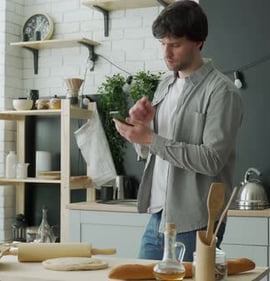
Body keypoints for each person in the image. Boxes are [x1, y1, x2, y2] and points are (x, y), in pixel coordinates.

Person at [113, 0, 243, 262]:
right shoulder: (165, 85)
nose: (166, 53)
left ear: (199, 42)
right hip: (159, 215)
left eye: (175, 44)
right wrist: (143, 128)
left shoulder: (222, 91)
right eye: (162, 44)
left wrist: (151, 137)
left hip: (196, 221)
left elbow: (211, 160)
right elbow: (152, 151)